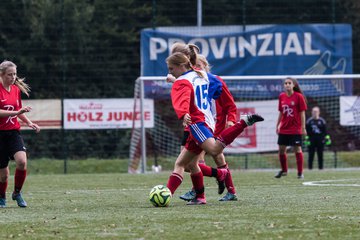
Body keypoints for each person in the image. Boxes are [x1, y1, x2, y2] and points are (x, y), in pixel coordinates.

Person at [165, 52, 264, 205]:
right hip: (206, 122)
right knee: (185, 164)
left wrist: (184, 113)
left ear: (182, 65)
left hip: (197, 122)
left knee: (215, 151)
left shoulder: (185, 81)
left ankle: (243, 123)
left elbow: (183, 95)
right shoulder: (204, 77)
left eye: (171, 68)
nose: (169, 71)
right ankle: (196, 196)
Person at [178, 54, 239, 202]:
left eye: (199, 65)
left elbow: (230, 105)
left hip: (212, 126)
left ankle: (209, 192)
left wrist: (231, 120)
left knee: (202, 159)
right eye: (194, 66)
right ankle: (211, 182)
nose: (196, 68)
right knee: (188, 163)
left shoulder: (214, 80)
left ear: (205, 66)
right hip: (198, 125)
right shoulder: (191, 80)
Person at [0, 60, 40, 208]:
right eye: (10, 74)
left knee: (22, 162)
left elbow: (19, 110)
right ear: (2, 75)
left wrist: (29, 122)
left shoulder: (15, 89)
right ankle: (1, 196)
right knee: (3, 175)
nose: (13, 77)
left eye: (15, 74)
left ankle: (17, 193)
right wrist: (16, 112)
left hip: (13, 133)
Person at [275, 77, 307, 179]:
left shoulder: (299, 96)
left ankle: (300, 172)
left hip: (295, 129)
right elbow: (281, 112)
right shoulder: (282, 96)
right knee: (281, 149)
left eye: (289, 83)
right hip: (284, 128)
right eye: (285, 83)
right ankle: (284, 170)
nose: (287, 85)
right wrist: (277, 125)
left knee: (297, 149)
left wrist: (303, 127)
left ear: (294, 85)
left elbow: (302, 113)